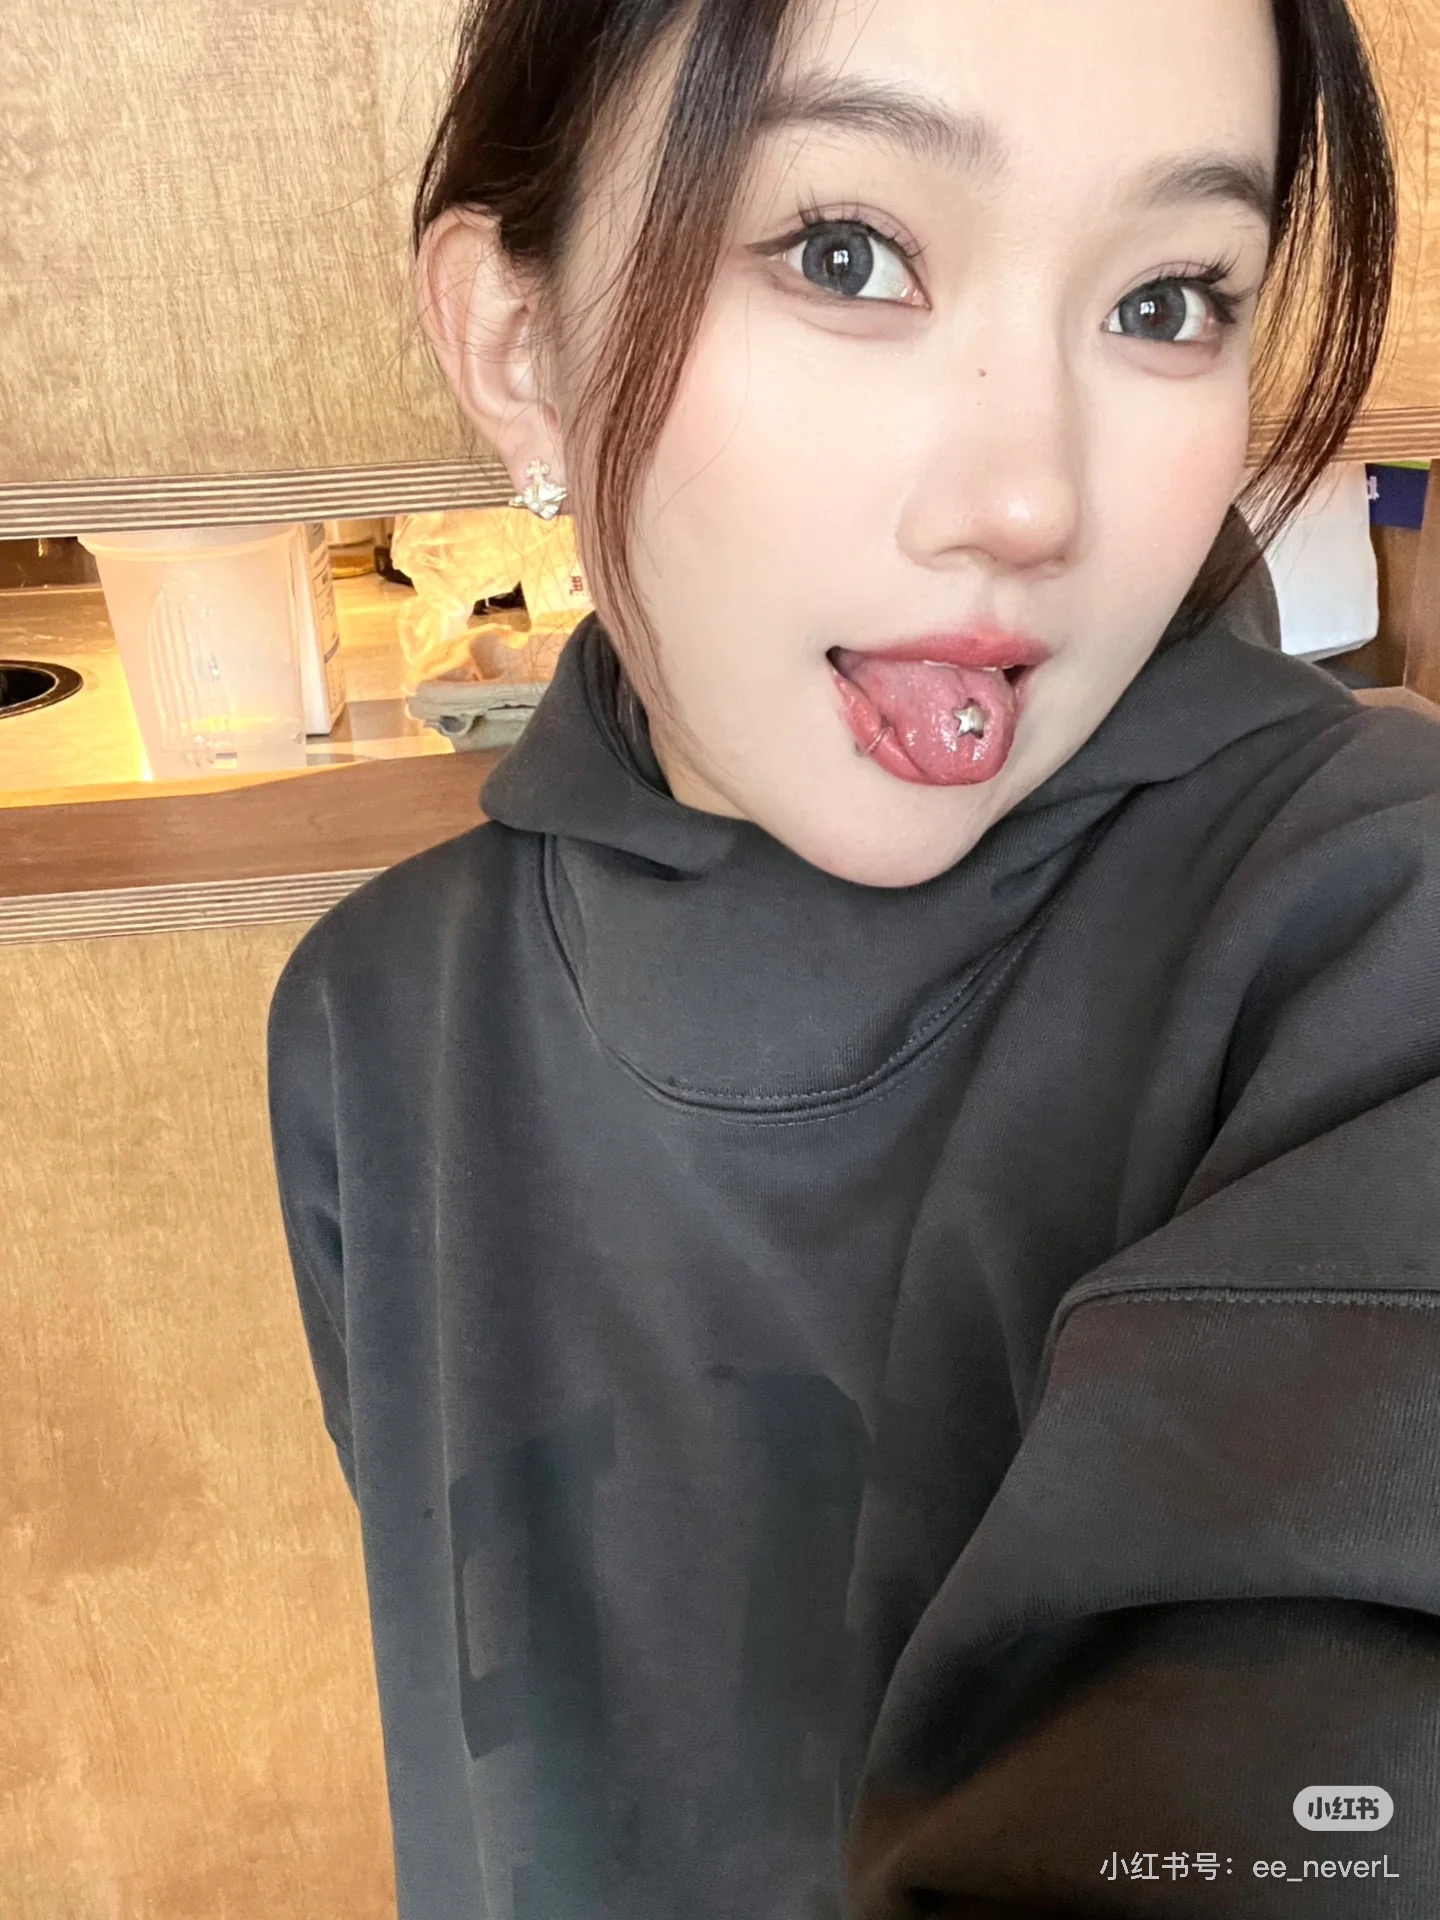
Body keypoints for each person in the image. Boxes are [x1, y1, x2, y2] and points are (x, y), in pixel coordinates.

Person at [265, 0, 1440, 1913]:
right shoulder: (375, 1022)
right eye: (846, 255)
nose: (1031, 502)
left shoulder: (1378, 932)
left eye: (1167, 302)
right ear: (516, 340)